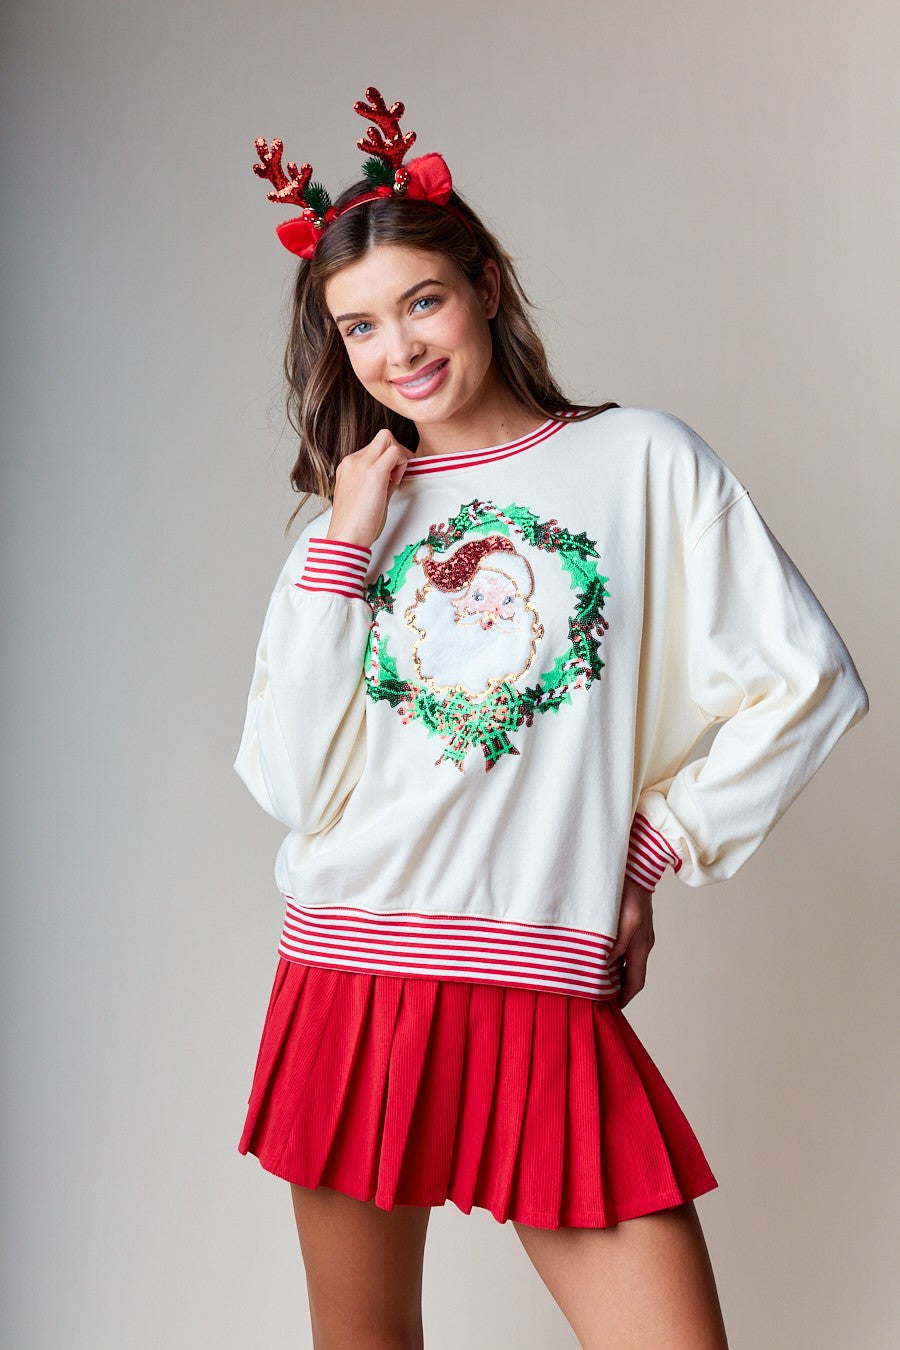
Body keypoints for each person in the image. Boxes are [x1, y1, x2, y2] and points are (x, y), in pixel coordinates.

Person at [233, 87, 869, 1349]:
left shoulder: (641, 461)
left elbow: (807, 680)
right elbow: (294, 786)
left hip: (539, 968)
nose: (399, 349)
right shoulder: (344, 533)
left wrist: (647, 853)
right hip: (355, 972)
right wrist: (344, 549)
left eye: (422, 301)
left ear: (484, 286)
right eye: (359, 326)